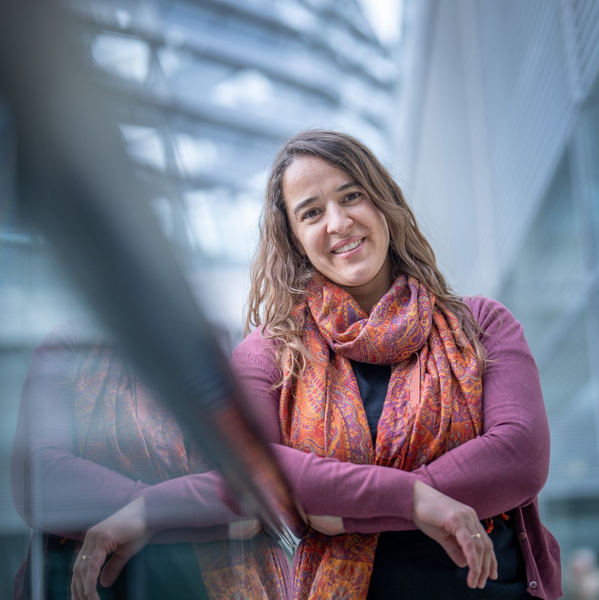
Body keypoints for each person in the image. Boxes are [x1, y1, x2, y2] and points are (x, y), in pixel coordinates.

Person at [231, 130, 562, 599]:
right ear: (293, 237)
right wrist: (415, 500)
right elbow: (250, 469)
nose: (339, 222)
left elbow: (520, 455)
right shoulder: (269, 353)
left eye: (352, 196)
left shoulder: (482, 324)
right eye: (312, 212)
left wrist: (347, 508)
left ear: (384, 203)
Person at [10, 322, 289, 600]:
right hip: (98, 581)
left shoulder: (228, 347)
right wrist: (165, 513)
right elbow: (41, 478)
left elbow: (259, 490)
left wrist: (146, 515)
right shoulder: (68, 343)